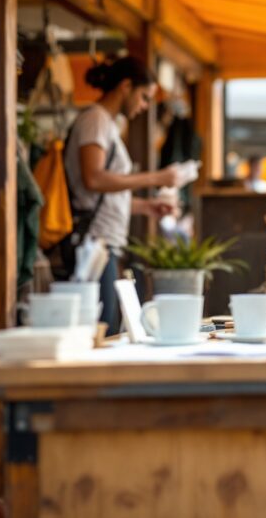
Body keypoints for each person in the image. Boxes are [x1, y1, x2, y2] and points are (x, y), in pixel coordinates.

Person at [65, 56, 192, 335]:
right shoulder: (95, 120)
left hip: (103, 243)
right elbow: (94, 178)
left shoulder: (106, 123)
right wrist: (156, 177)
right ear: (125, 87)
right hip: (92, 244)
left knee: (108, 326)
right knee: (103, 329)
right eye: (144, 97)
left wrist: (147, 206)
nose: (145, 106)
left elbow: (105, 194)